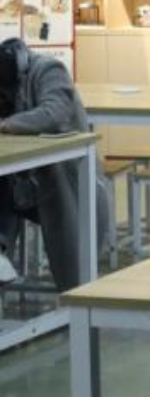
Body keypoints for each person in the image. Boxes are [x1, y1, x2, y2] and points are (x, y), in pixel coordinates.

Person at [0, 37, 107, 290]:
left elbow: (54, 113)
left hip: (67, 178)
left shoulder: (48, 70)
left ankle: (76, 293)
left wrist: (6, 124)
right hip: (22, 182)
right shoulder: (7, 81)